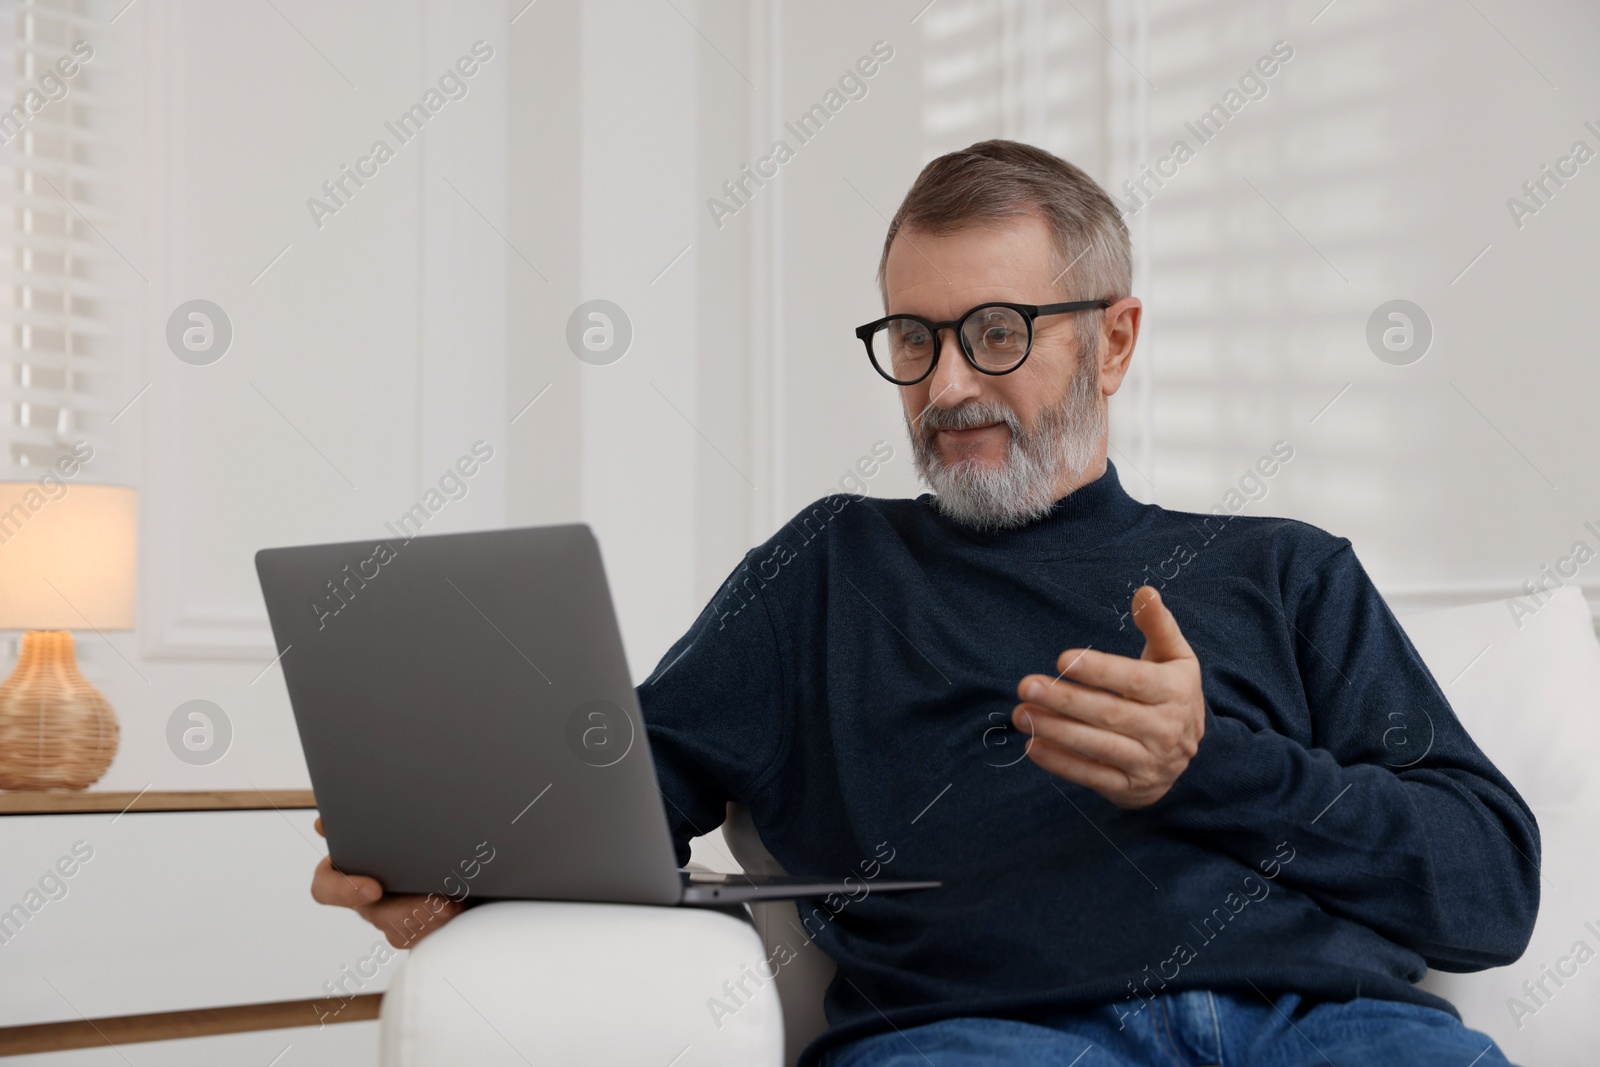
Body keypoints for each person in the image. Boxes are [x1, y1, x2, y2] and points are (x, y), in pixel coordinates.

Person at [312, 139, 1538, 1066]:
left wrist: (1210, 762)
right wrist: (461, 866)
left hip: (1322, 1031)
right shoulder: (828, 572)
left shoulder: (1284, 569)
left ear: (1111, 343)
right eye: (913, 335)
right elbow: (620, 802)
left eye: (996, 331)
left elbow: (1489, 893)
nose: (946, 382)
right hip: (987, 1036)